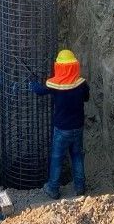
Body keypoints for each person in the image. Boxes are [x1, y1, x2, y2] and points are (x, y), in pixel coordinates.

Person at [31, 49, 89, 199]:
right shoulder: (82, 85)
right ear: (74, 66)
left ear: (59, 67)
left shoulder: (55, 87)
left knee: (57, 158)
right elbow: (86, 97)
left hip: (62, 129)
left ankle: (53, 188)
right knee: (77, 156)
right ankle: (80, 187)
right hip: (78, 127)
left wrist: (32, 84)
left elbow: (39, 90)